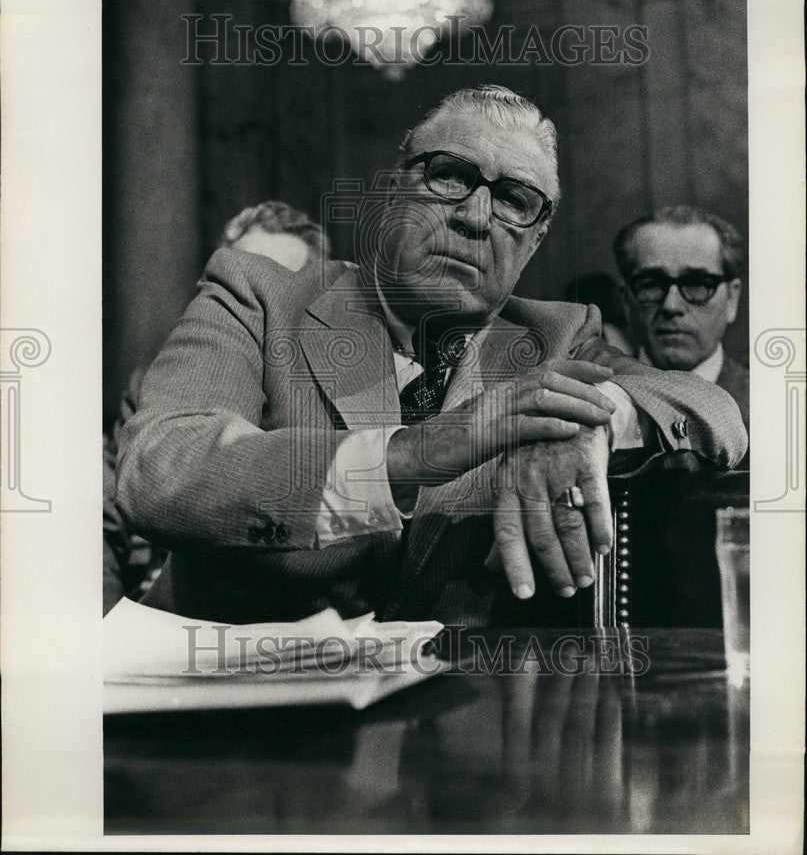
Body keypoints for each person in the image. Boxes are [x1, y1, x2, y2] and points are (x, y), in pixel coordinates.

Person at [117, 85, 747, 626]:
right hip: (227, 718)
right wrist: (411, 454)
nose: (476, 217)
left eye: (515, 200)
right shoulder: (260, 295)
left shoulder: (557, 336)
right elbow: (163, 469)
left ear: (535, 238)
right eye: (449, 175)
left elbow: (712, 408)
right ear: (396, 189)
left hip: (454, 730)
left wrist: (589, 420)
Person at [103, 200, 332, 614]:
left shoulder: (335, 398)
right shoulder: (151, 389)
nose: (249, 297)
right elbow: (101, 523)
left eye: (274, 284)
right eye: (235, 278)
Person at [612, 205, 749, 434]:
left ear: (731, 299)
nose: (671, 306)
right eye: (651, 284)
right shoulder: (599, 402)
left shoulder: (773, 406)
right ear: (627, 300)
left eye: (697, 284)